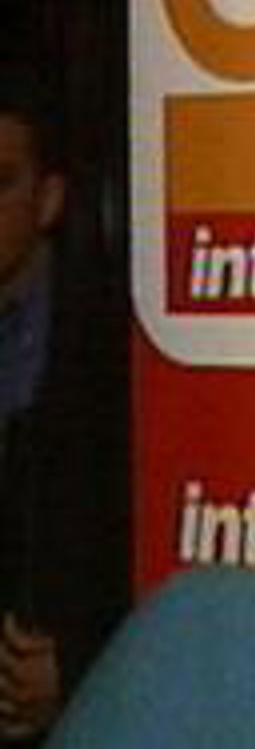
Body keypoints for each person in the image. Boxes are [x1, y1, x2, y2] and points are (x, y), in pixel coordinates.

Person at [0, 65, 127, 744]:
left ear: (48, 200)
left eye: (1, 182)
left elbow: (134, 539)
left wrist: (80, 668)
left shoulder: (110, 352)